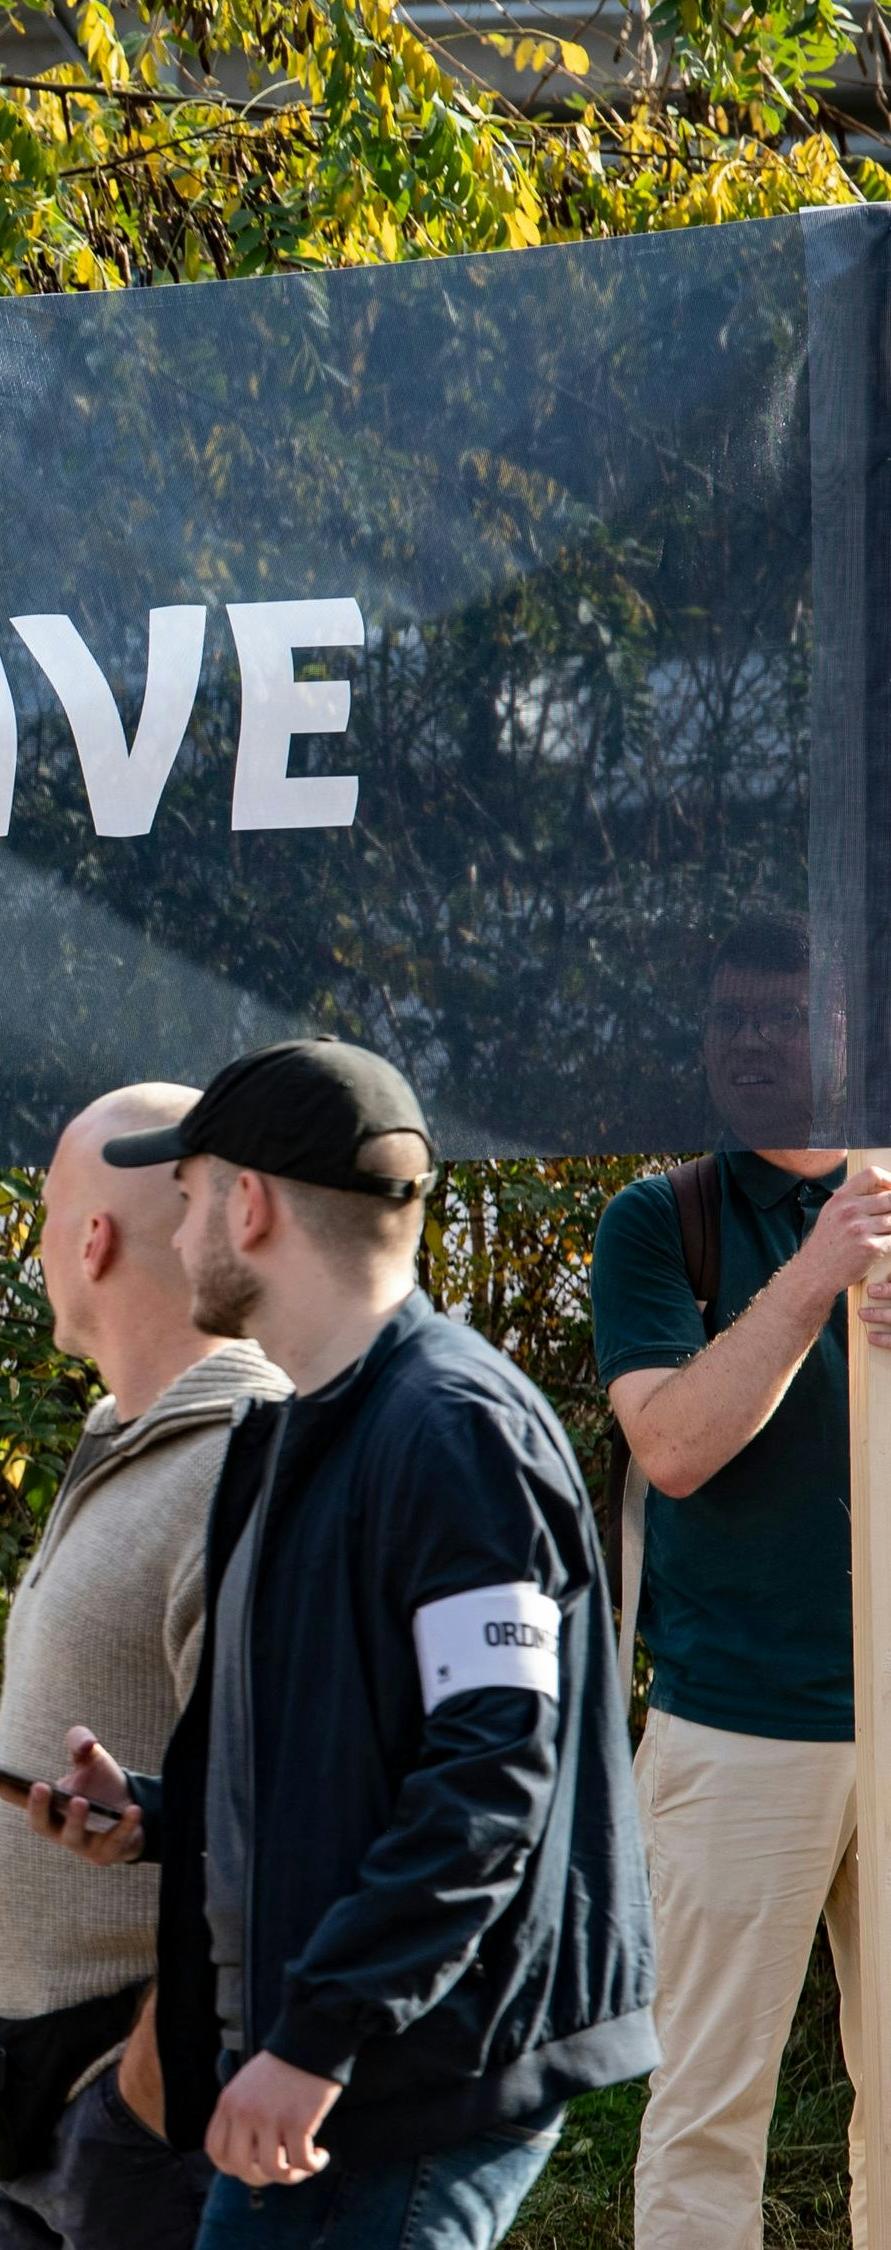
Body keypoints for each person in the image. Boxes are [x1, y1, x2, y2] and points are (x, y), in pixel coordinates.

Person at [17, 1037, 655, 2250]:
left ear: (247, 1206)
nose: (180, 1219)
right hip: (329, 2075)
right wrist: (160, 1815)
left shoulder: (455, 1434)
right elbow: (351, 1747)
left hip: (398, 2087)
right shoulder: (294, 1434)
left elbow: (489, 1776)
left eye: (191, 1192)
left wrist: (316, 2039)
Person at [593, 911, 891, 2250]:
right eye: (732, 1021)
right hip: (741, 1729)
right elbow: (672, 1444)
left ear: (848, 1031)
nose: (755, 1044)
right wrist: (817, 1275)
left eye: (785, 1016)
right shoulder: (668, 1221)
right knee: (713, 2112)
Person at [0, 1085, 284, 2250]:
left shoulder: (241, 1463)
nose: (40, 1240)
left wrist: (141, 2090)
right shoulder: (130, 1440)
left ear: (90, 1239)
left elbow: (278, 1819)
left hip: (141, 2125)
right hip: (44, 2099)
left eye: (48, 1211)